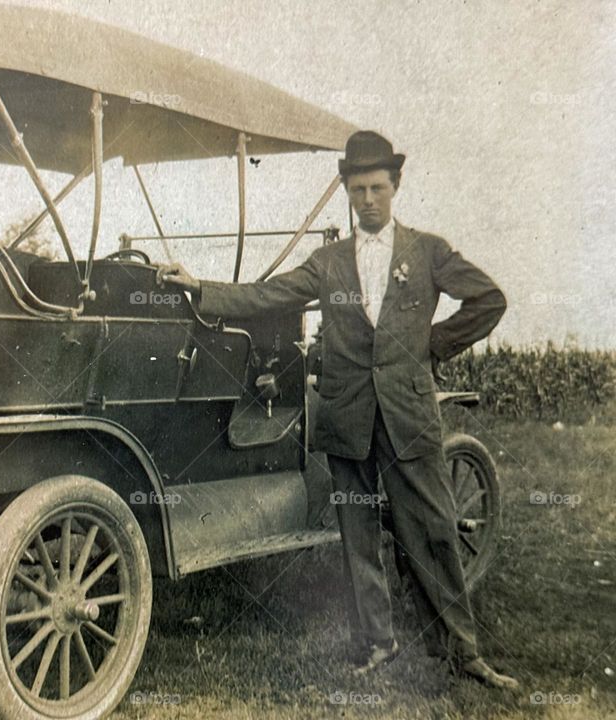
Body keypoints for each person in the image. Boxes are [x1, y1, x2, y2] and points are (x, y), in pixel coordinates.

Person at [157, 130, 518, 689]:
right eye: (357, 190)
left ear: (395, 185)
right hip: (347, 416)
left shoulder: (428, 251)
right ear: (347, 191)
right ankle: (375, 643)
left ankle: (461, 652)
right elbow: (266, 295)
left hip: (409, 415)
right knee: (357, 536)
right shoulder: (327, 262)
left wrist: (432, 345)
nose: (368, 199)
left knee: (434, 530)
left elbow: (488, 299)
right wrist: (198, 288)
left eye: (377, 188)